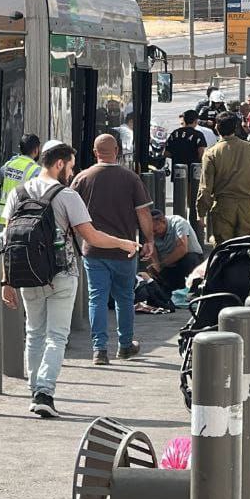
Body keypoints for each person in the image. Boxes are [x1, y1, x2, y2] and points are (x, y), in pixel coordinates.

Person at [2, 142, 138, 417]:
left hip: (27, 273)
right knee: (56, 336)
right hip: (62, 275)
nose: (72, 171)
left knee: (34, 334)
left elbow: (8, 238)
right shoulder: (66, 196)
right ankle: (44, 392)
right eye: (71, 166)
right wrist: (124, 244)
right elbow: (91, 236)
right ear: (59, 164)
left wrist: (7, 281)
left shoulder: (18, 194)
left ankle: (34, 390)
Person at [72, 134, 154, 365]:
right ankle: (125, 345)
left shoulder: (82, 178)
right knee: (125, 297)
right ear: (116, 150)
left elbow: (68, 213)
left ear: (94, 151)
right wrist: (148, 240)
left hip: (93, 249)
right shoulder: (130, 178)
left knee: (96, 297)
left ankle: (99, 349)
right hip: (124, 249)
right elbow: (143, 213)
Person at [196, 112, 250, 245]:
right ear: (235, 128)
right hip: (247, 204)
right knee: (246, 247)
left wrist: (201, 212)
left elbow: (205, 187)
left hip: (223, 205)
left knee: (224, 249)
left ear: (217, 128)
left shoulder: (211, 153)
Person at [146, 209, 203, 292]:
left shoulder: (179, 223)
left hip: (188, 261)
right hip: (168, 265)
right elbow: (152, 251)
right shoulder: (152, 233)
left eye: (155, 231)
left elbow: (182, 249)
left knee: (189, 259)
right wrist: (156, 266)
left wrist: (162, 264)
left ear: (163, 222)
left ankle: (193, 291)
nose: (153, 234)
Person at [0, 133, 41, 228]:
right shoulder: (36, 170)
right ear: (36, 150)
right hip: (21, 218)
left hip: (4, 216)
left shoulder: (9, 164)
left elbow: (2, 174)